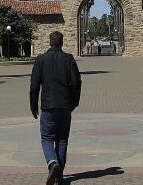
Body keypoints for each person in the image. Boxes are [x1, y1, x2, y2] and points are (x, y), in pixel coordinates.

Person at [30, 31, 81, 185]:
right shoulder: (69, 59)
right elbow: (76, 82)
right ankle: (59, 176)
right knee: (62, 140)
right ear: (62, 42)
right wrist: (74, 102)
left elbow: (34, 86)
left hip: (48, 106)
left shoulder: (41, 60)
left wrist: (33, 106)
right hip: (65, 106)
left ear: (50, 42)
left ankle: (52, 163)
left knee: (47, 138)